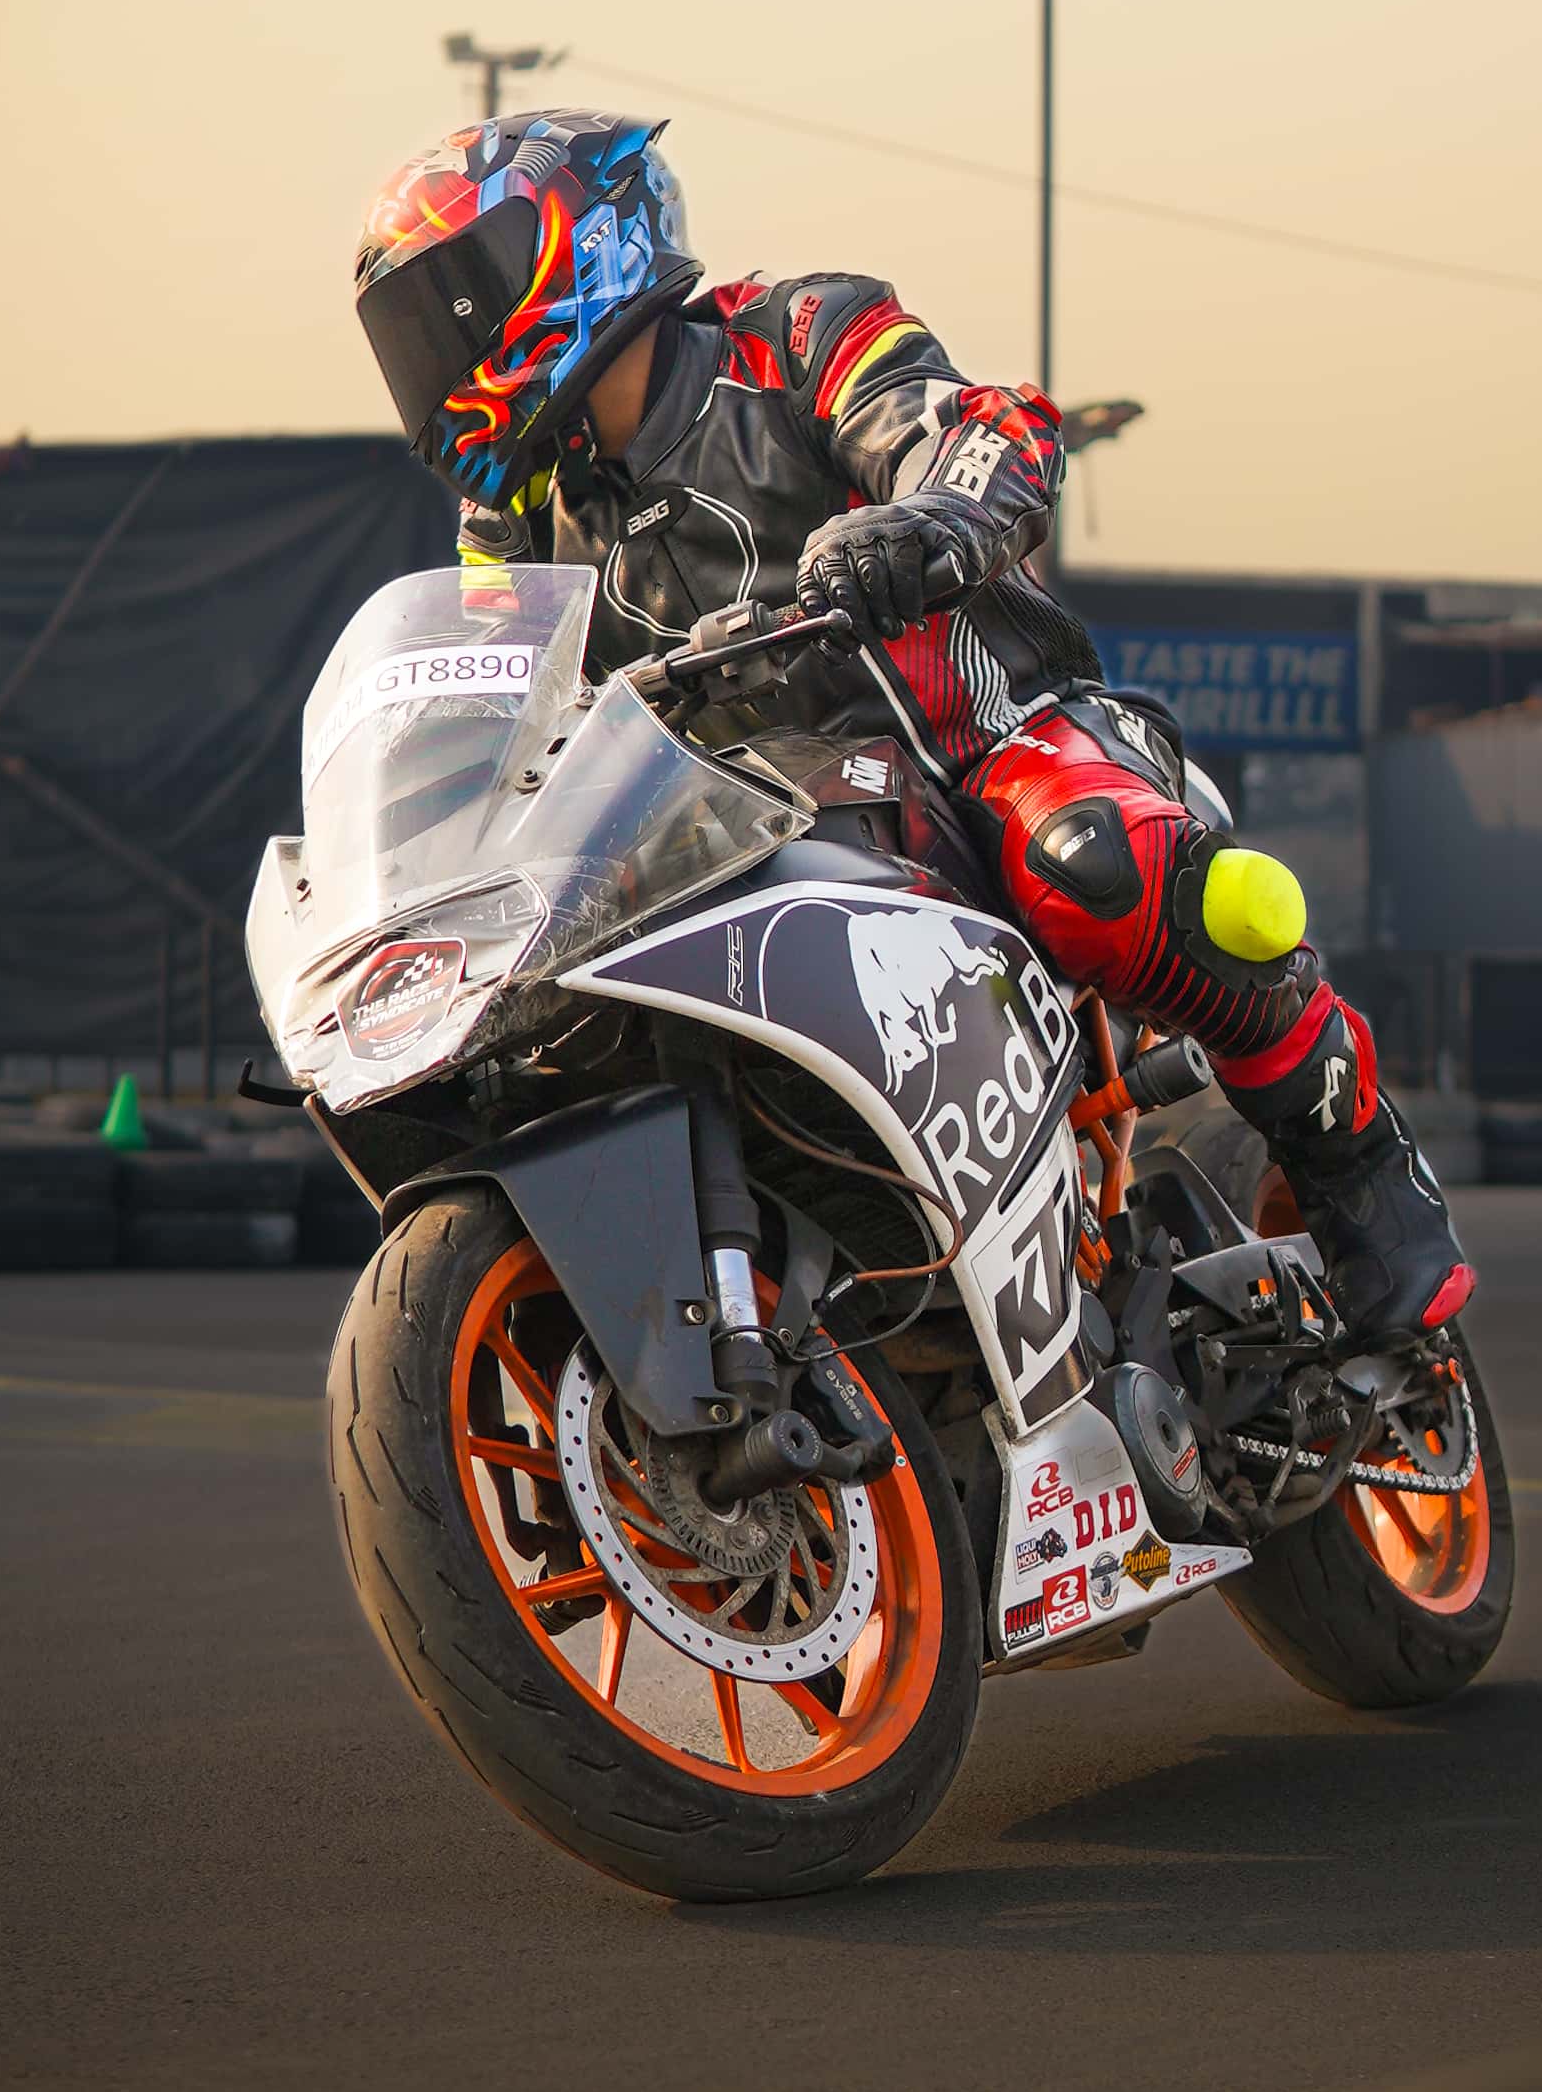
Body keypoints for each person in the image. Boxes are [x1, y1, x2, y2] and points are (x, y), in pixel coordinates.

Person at [354, 107, 1473, 1345]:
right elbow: (495, 710)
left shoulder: (796, 333)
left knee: (1096, 864)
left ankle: (1360, 1163)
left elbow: (986, 429)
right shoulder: (511, 521)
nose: (435, 351)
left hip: (980, 751)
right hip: (723, 839)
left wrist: (927, 518)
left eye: (452, 306)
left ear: (577, 248)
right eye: (413, 328)